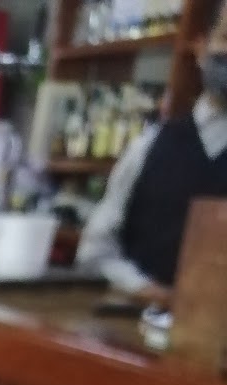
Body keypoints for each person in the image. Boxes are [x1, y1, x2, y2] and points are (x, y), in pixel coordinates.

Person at [77, 0, 227, 298]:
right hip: (138, 320)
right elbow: (95, 251)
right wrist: (145, 289)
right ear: (201, 48)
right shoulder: (148, 145)